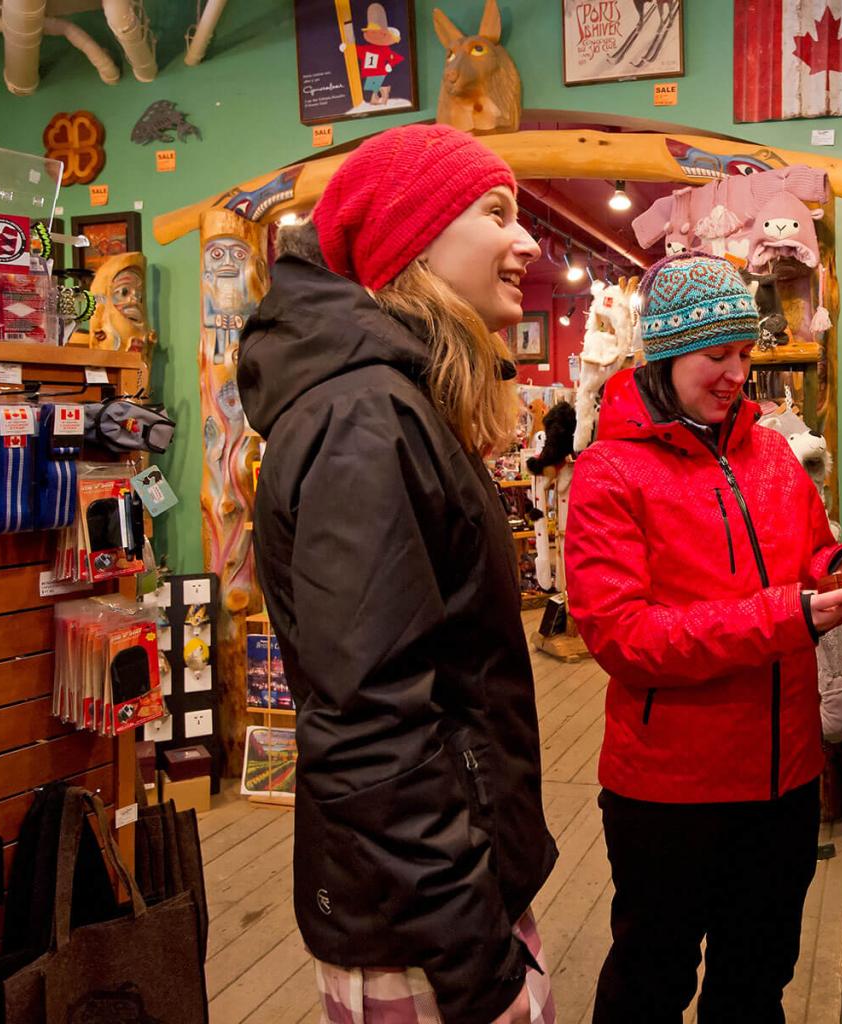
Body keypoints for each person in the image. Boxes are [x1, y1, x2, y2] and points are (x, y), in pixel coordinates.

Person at [239, 124, 557, 1024]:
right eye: (495, 213)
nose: (526, 241)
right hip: (429, 929)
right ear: (412, 238)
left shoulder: (390, 403)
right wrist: (476, 964)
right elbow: (371, 725)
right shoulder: (367, 419)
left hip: (445, 890)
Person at [564, 253, 842, 1023]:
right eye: (717, 355)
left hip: (784, 781)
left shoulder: (769, 452)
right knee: (652, 978)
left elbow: (808, 546)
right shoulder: (610, 472)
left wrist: (841, 560)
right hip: (670, 793)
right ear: (668, 355)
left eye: (745, 353)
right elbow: (624, 636)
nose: (738, 373)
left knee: (756, 977)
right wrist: (789, 616)